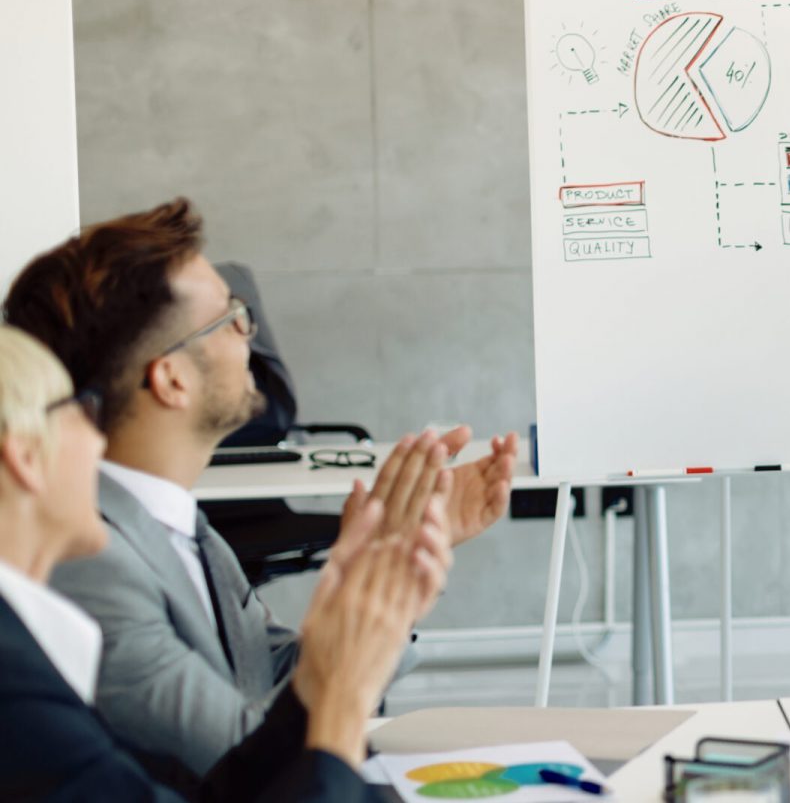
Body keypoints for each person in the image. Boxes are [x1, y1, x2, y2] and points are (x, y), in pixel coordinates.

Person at [1, 197, 520, 774]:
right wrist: (369, 588)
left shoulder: (177, 525)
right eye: (232, 318)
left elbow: (275, 675)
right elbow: (244, 759)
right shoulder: (90, 560)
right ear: (171, 378)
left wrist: (401, 565)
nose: (250, 335)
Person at [0, 324, 448, 800]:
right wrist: (340, 697)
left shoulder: (27, 647)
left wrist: (347, 648)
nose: (98, 440)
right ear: (26, 457)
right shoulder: (14, 681)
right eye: (76, 412)